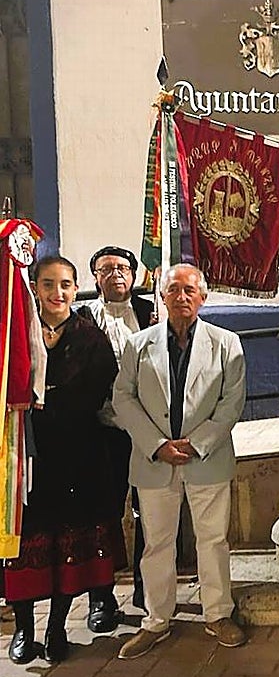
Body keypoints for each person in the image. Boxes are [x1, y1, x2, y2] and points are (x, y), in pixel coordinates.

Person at [112, 264, 248, 659]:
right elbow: (123, 397)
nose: (182, 297)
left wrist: (197, 444)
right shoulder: (138, 344)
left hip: (206, 458)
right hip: (155, 461)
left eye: (190, 290)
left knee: (213, 540)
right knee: (156, 544)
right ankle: (156, 620)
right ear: (162, 296)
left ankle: (218, 614)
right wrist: (157, 445)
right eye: (173, 289)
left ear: (203, 297)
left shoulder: (227, 343)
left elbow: (232, 402)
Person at [2, 256, 118, 664]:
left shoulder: (90, 338)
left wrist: (48, 400)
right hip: (25, 453)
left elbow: (99, 392)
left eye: (65, 284)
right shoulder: (16, 334)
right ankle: (23, 629)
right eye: (48, 284)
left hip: (76, 456)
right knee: (24, 543)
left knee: (66, 545)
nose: (57, 292)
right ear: (34, 287)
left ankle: (56, 628)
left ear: (75, 287)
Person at [78, 245, 156, 624]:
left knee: (150, 512)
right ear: (95, 277)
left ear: (134, 274)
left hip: (147, 431)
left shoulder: (152, 311)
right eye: (106, 269)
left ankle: (147, 589)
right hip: (102, 432)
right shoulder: (82, 319)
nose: (116, 274)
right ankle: (101, 598)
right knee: (103, 513)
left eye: (122, 268)